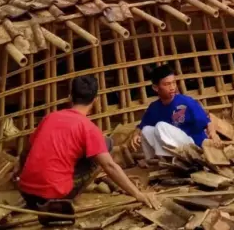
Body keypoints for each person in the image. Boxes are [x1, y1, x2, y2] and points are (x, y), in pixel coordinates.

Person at [18, 75, 156, 211]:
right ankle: (70, 196)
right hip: (54, 198)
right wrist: (138, 194)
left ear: (70, 97)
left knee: (103, 142)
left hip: (26, 193)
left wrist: (19, 173)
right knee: (104, 149)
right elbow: (109, 166)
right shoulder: (88, 128)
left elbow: (26, 151)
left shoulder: (49, 118)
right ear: (95, 99)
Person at [130, 64, 221, 158]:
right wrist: (135, 134)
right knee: (146, 130)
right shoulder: (154, 107)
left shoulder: (187, 102)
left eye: (173, 83)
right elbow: (142, 126)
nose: (172, 87)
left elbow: (207, 122)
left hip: (193, 144)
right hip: (174, 147)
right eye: (167, 84)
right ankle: (153, 160)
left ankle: (175, 158)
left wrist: (213, 134)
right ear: (155, 88)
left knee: (160, 126)